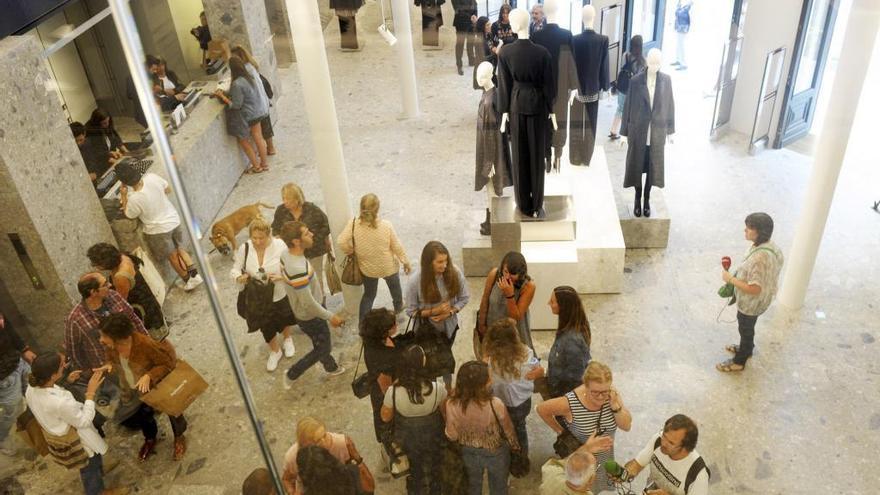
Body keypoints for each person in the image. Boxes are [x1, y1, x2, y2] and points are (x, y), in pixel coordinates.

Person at [25, 353, 127, 495]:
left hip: (56, 428)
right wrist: (90, 393)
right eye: (62, 365)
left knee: (93, 459)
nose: (65, 365)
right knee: (88, 465)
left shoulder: (31, 387)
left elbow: (51, 393)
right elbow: (84, 420)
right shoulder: (59, 403)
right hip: (76, 438)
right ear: (53, 375)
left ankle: (99, 470)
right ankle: (97, 491)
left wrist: (66, 382)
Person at [96, 314, 188, 461]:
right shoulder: (111, 347)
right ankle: (150, 438)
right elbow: (111, 360)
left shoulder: (144, 344)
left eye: (103, 336)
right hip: (134, 389)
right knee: (144, 415)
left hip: (158, 387)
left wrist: (149, 376)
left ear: (117, 336)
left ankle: (179, 437)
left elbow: (167, 363)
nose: (101, 340)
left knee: (173, 412)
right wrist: (109, 365)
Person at [536, 361, 632, 494]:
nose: (600, 397)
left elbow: (626, 426)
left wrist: (615, 406)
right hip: (580, 462)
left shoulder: (611, 395)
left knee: (597, 487)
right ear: (585, 386)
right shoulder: (570, 403)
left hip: (605, 457)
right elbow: (541, 409)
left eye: (604, 392)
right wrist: (560, 431)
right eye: (595, 392)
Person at [276, 221, 346, 386]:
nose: (312, 234)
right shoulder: (297, 267)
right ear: (296, 241)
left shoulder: (287, 254)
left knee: (319, 342)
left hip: (309, 311)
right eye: (307, 233)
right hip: (311, 315)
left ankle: (331, 367)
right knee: (323, 348)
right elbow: (308, 303)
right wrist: (330, 316)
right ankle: (292, 374)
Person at [117, 163, 204, 291]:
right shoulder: (152, 177)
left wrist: (124, 195)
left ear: (125, 183)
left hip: (158, 230)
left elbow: (129, 214)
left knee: (172, 256)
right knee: (180, 248)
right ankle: (195, 275)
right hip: (173, 220)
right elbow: (168, 190)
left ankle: (188, 280)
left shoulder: (134, 199)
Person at [717, 212, 784, 372]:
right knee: (748, 328)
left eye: (749, 228)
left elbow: (755, 288)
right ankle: (746, 347)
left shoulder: (759, 258)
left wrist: (730, 279)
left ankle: (740, 360)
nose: (745, 230)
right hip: (763, 297)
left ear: (760, 232)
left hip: (752, 303)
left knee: (745, 328)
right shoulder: (772, 247)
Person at [64, 272, 148, 396]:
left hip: (137, 353)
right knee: (133, 398)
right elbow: (74, 350)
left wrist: (148, 340)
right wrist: (91, 372)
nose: (110, 285)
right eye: (105, 284)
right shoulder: (75, 319)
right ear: (93, 292)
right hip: (113, 369)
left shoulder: (113, 296)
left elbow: (133, 318)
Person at [444, 360, 519, 495]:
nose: (491, 380)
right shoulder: (495, 404)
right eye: (489, 378)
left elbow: (452, 435)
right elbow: (508, 430)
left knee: (472, 487)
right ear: (482, 384)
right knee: (499, 487)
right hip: (496, 451)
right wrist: (515, 446)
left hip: (468, 451)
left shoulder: (451, 404)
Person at [231, 218, 297, 371]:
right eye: (254, 238)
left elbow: (292, 264)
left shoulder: (280, 246)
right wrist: (238, 277)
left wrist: (282, 277)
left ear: (269, 235)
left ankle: (288, 339)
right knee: (264, 324)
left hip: (278, 291)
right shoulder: (245, 248)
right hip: (258, 296)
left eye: (262, 238)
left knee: (284, 316)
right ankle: (275, 351)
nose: (258, 241)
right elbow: (235, 268)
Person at [380, 345, 446, 493]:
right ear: (424, 363)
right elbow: (445, 413)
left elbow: (385, 417)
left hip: (407, 436)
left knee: (414, 468)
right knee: (435, 465)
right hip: (433, 434)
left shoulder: (393, 392)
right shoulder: (437, 388)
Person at [337, 193, 412, 320]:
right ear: (377, 209)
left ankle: (362, 323)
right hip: (387, 267)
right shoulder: (386, 225)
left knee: (369, 295)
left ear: (361, 208)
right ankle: (398, 306)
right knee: (395, 287)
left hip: (368, 269)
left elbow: (341, 241)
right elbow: (396, 246)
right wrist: (405, 261)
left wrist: (350, 251)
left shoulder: (354, 224)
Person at [405, 241, 469, 386]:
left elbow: (464, 298)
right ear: (428, 263)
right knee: (430, 364)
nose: (444, 265)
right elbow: (410, 311)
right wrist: (434, 311)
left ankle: (448, 387)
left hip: (449, 329)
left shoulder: (455, 273)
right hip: (426, 332)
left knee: (446, 358)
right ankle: (433, 390)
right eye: (439, 262)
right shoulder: (415, 281)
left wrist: (451, 311)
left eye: (446, 261)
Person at [482, 319, 541, 459]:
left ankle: (506, 457)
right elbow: (536, 366)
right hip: (522, 402)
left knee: (503, 430)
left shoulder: (490, 361)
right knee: (520, 428)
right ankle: (522, 459)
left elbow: (487, 382)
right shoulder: (527, 352)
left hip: (500, 403)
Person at [616, 414, 710, 495]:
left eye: (671, 443)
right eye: (664, 436)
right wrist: (624, 473)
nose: (663, 443)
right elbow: (637, 465)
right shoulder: (658, 440)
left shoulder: (698, 474)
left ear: (685, 448)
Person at [272, 183, 332, 305]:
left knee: (316, 279)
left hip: (314, 252)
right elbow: (275, 229)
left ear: (297, 199)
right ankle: (304, 304)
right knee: (298, 280)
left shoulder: (312, 209)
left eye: (288, 199)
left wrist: (314, 240)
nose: (285, 202)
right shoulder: (281, 211)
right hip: (294, 253)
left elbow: (326, 225)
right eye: (283, 198)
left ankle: (320, 303)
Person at [87, 243, 165, 336]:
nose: (95, 267)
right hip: (147, 302)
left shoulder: (121, 277)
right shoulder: (122, 257)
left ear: (106, 262)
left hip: (144, 311)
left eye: (96, 264)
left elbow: (121, 302)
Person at [358, 308, 402, 466]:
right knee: (387, 421)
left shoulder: (373, 341)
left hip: (380, 386)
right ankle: (390, 447)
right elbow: (387, 389)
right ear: (383, 331)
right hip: (385, 394)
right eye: (392, 324)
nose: (396, 325)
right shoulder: (381, 357)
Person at [214, 56, 269, 173]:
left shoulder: (237, 84)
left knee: (243, 141)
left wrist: (223, 97)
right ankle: (264, 164)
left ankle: (256, 166)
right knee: (259, 137)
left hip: (248, 115)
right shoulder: (249, 78)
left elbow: (236, 105)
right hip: (257, 111)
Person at [537, 286, 592, 398]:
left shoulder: (572, 341)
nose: (548, 303)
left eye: (552, 301)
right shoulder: (570, 327)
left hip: (563, 395)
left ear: (563, 306)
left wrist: (545, 372)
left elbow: (574, 379)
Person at [281, 416, 361, 494]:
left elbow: (351, 471)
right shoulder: (291, 457)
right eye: (317, 441)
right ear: (305, 445)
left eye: (325, 435)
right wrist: (291, 492)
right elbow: (286, 479)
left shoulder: (341, 443)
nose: (324, 442)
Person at [476, 251, 535, 352]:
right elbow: (485, 299)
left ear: (521, 273)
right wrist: (481, 324)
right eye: (505, 271)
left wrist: (510, 295)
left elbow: (516, 317)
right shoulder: (494, 274)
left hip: (513, 333)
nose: (507, 277)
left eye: (513, 274)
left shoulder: (528, 286)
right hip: (493, 329)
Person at [0, 312, 36, 456]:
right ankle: (2, 438)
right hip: (3, 377)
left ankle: (40, 427)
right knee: (12, 411)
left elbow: (9, 329)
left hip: (17, 361)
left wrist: (24, 349)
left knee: (34, 393)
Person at [231, 45, 276, 156]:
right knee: (265, 127)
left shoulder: (245, 72)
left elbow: (237, 102)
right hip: (263, 100)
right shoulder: (251, 66)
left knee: (258, 134)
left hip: (256, 106)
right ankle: (270, 148)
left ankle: (266, 156)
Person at [609, 35, 646, 140]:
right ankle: (628, 132)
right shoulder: (642, 61)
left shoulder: (625, 55)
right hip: (634, 89)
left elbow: (621, 68)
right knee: (632, 111)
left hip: (623, 85)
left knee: (620, 108)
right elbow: (641, 78)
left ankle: (613, 130)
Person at [452, 0, 478, 75]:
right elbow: (458, 9)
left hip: (471, 22)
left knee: (471, 42)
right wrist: (471, 16)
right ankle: (459, 65)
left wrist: (475, 15)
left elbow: (475, 4)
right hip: (460, 22)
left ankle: (471, 60)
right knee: (460, 44)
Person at [673, 0, 692, 70]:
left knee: (682, 46)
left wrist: (679, 7)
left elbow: (680, 14)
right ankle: (678, 60)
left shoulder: (689, 5)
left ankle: (683, 64)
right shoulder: (682, 5)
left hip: (683, 29)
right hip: (680, 28)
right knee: (678, 45)